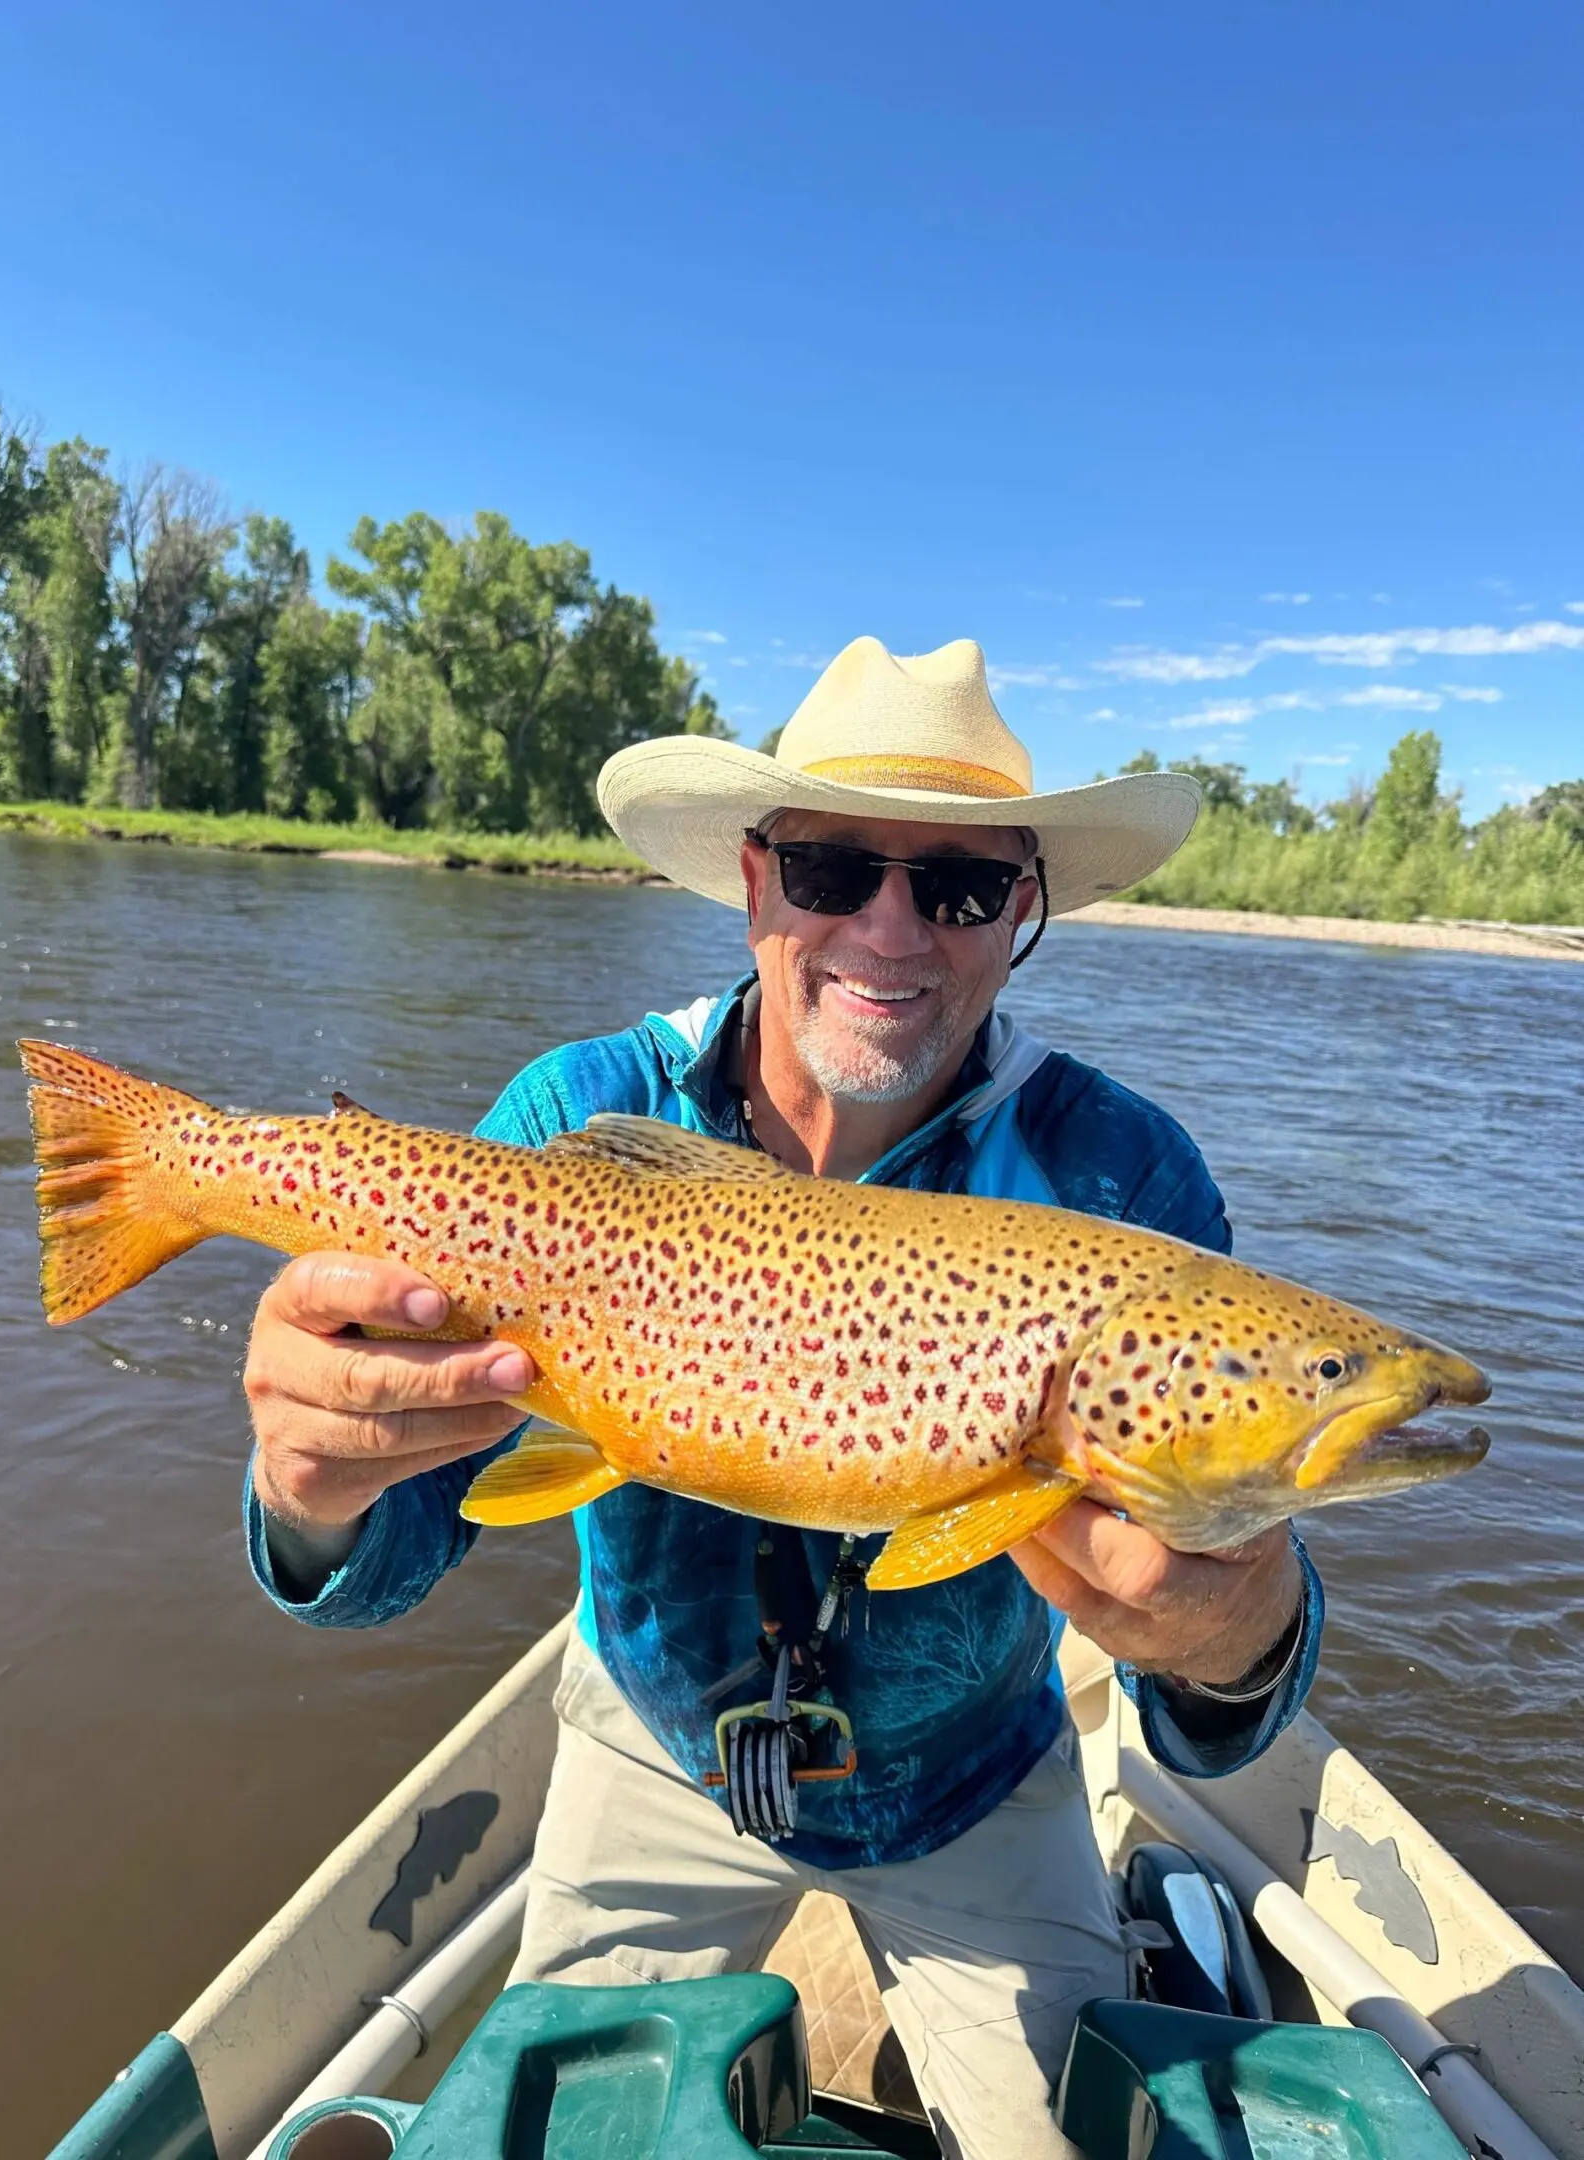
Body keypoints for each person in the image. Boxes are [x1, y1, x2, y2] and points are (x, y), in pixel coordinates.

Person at [243, 637, 1320, 2160]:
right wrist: (308, 1492)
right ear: (754, 883)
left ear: (1021, 916)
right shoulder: (572, 1120)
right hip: (651, 1743)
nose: (890, 928)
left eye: (954, 888)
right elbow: (391, 1553)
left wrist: (1236, 1641)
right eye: (830, 868)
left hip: (975, 1779)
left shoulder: (1124, 1184)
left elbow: (1208, 1696)